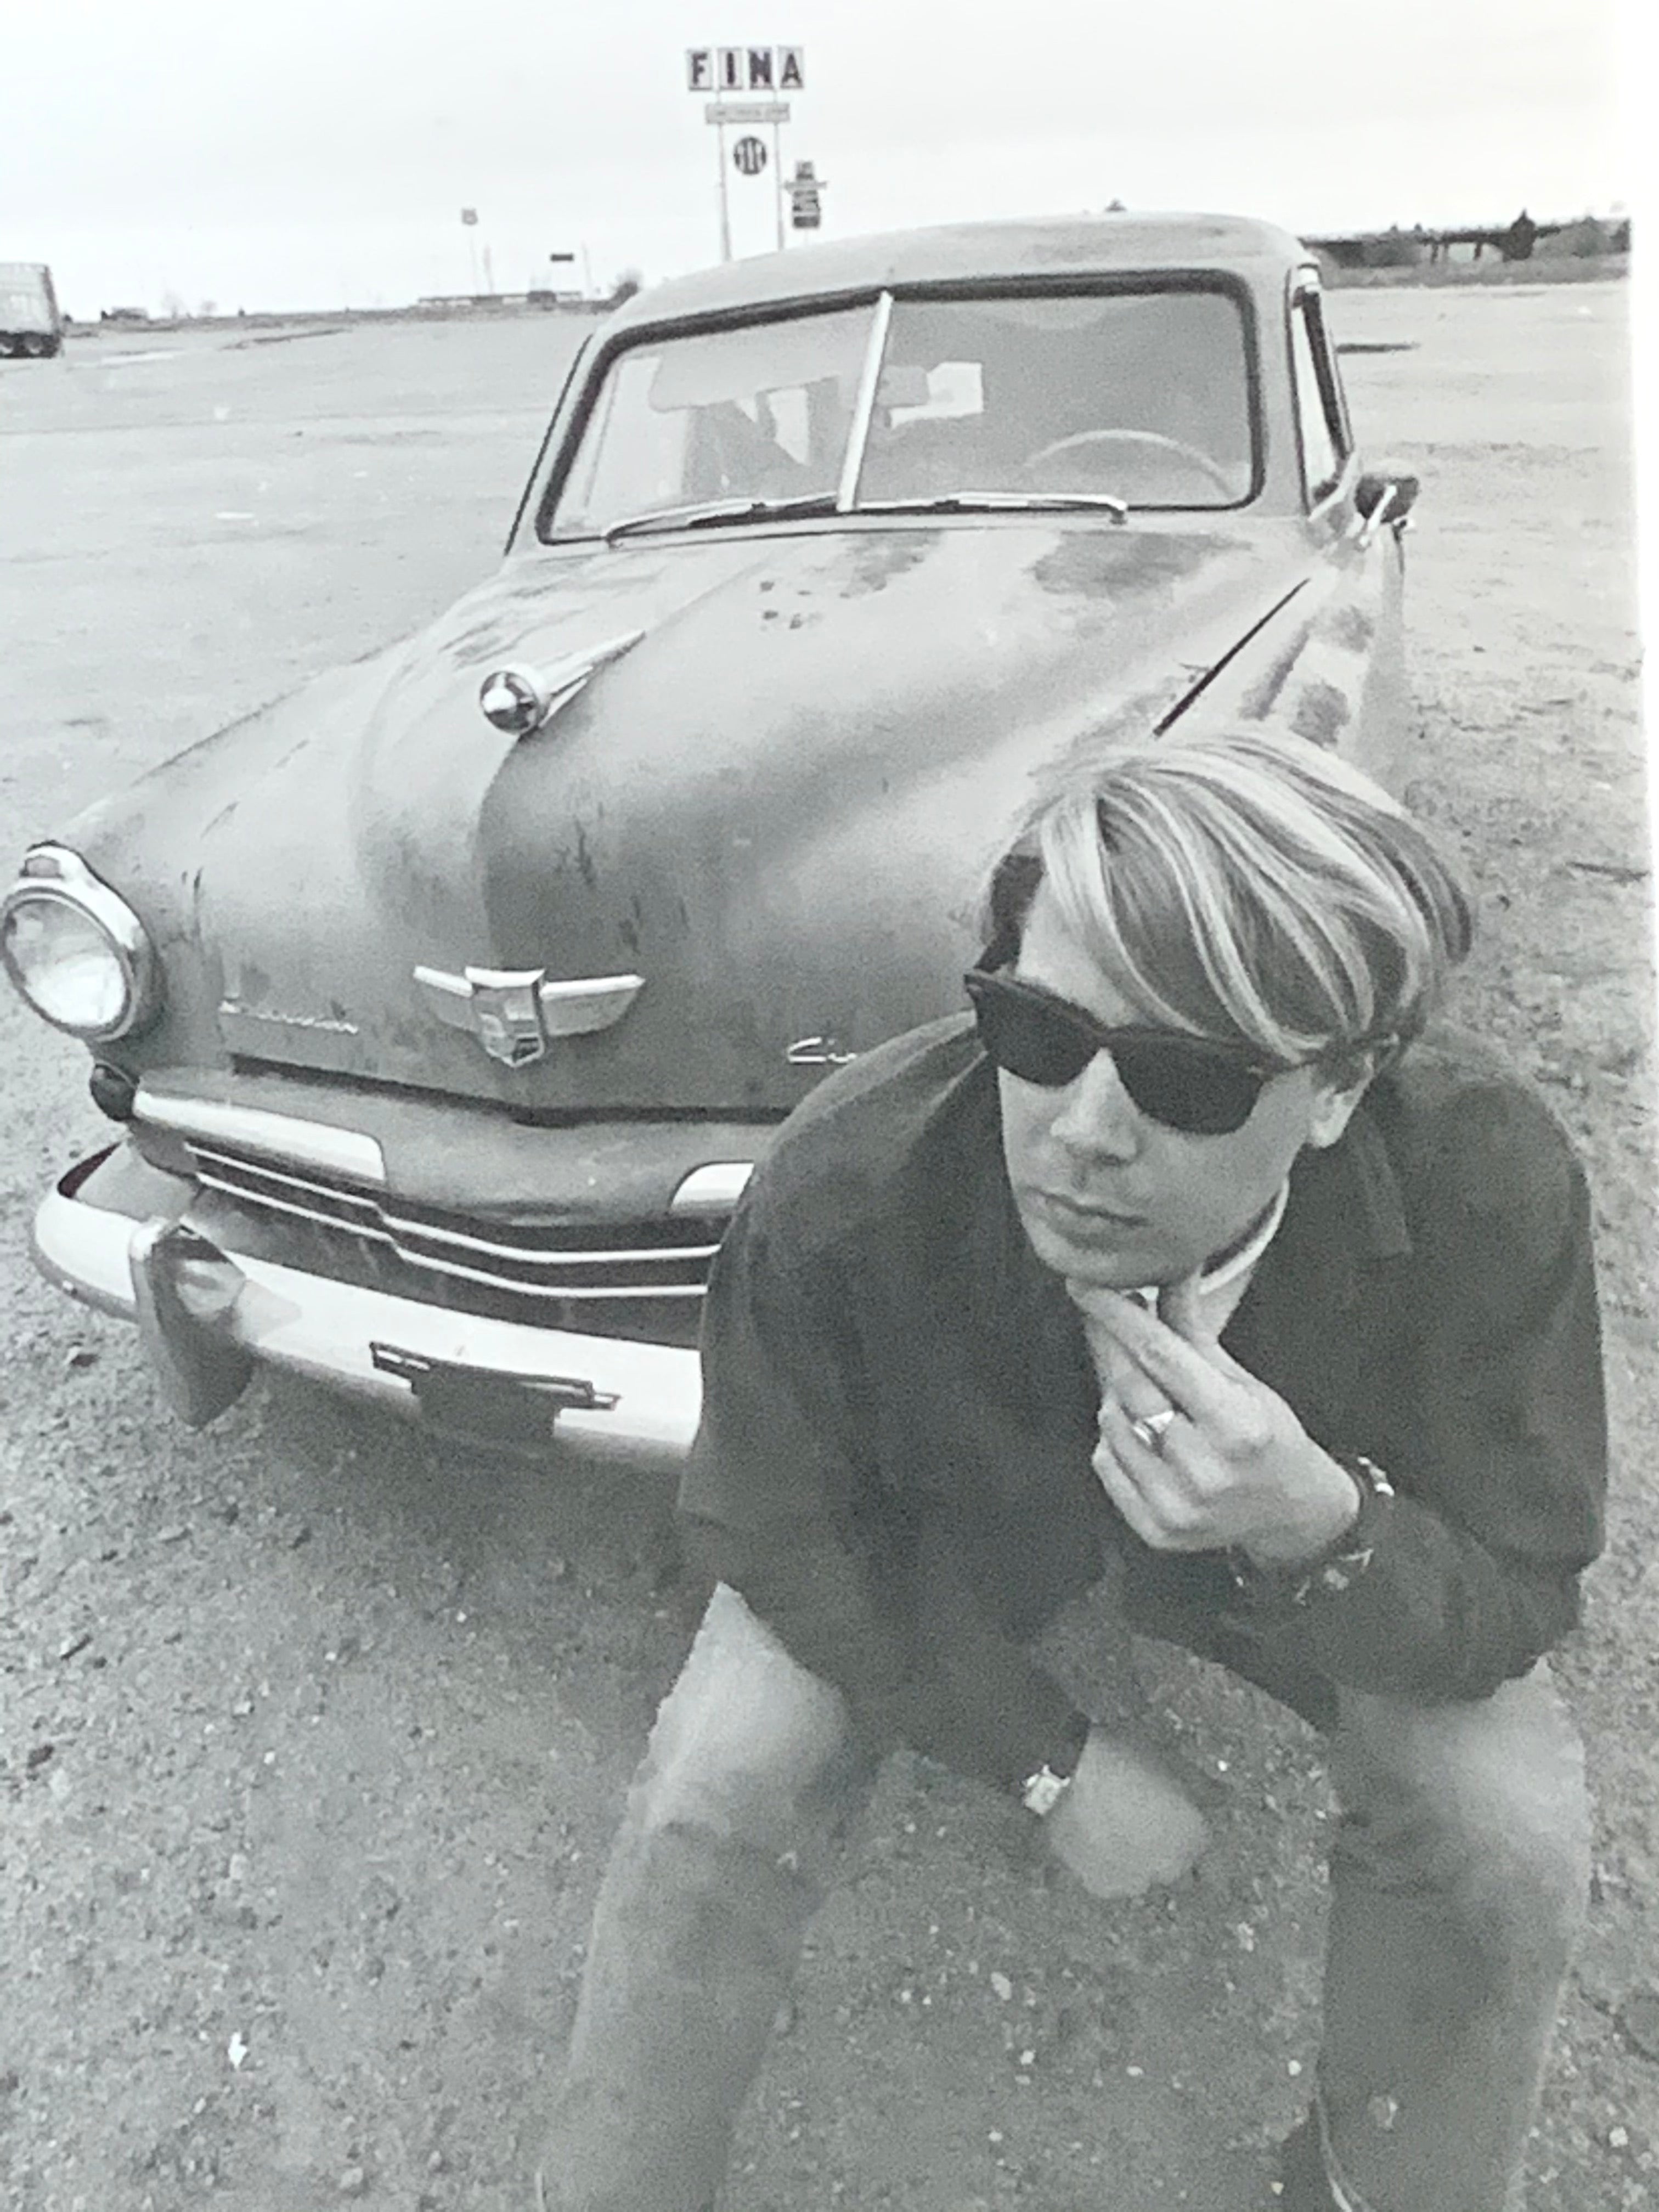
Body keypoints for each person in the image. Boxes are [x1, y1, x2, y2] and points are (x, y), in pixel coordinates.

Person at [533, 731, 1605, 2212]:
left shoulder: (1489, 1180)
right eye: (1035, 1035)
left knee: (1507, 1829)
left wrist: (1322, 1523)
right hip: (956, 1530)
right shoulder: (850, 1182)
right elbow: (772, 1513)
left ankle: (1381, 2183)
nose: (1083, 1135)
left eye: (1188, 1078)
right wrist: (1046, 1760)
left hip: (1286, 1546)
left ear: (1347, 1087)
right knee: (720, 1783)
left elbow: (1520, 1575)